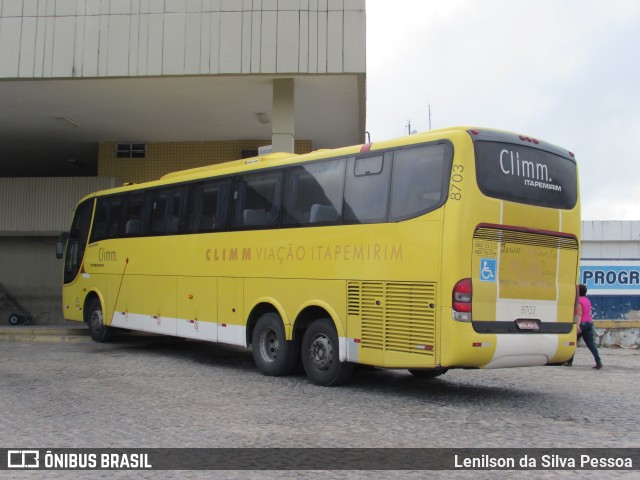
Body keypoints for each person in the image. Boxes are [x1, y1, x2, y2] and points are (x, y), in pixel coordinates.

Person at [565, 284, 602, 369]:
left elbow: (579, 313)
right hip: (589, 323)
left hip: (582, 324)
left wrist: (577, 326)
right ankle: (598, 361)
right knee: (591, 345)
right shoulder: (587, 300)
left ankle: (569, 361)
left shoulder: (578, 301)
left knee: (572, 343)